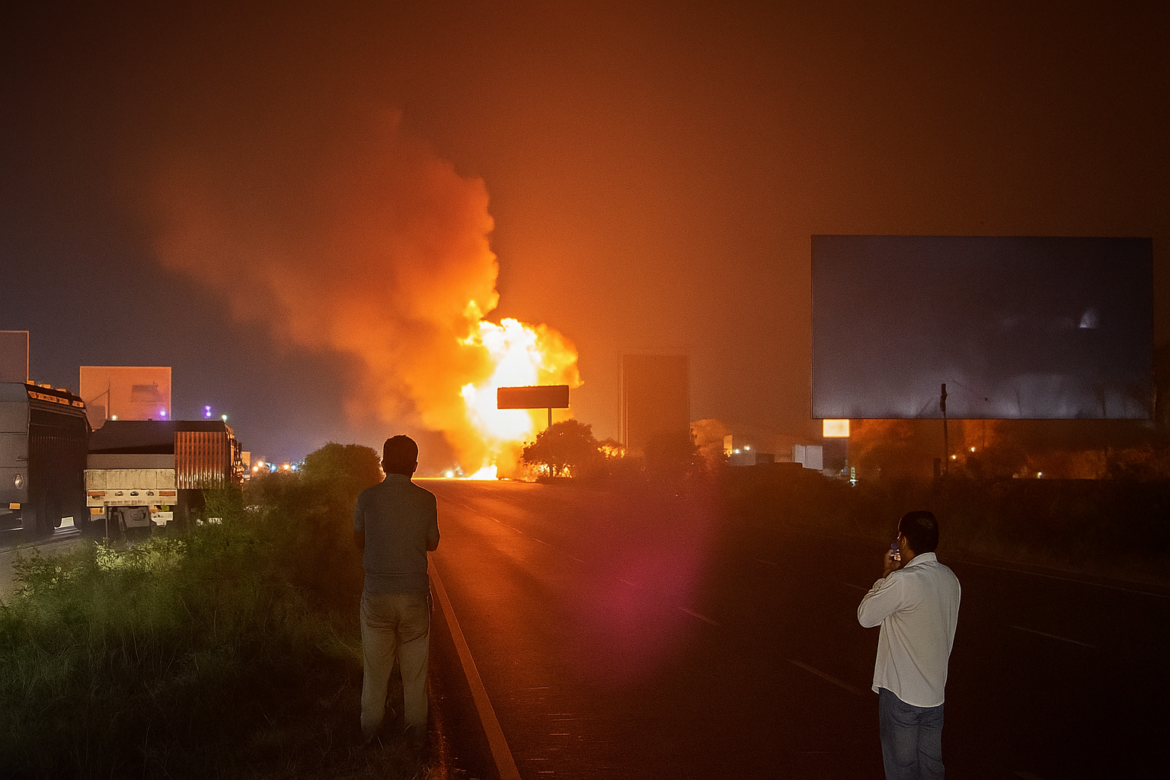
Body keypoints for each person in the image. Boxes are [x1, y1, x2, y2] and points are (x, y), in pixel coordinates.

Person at [857, 510, 961, 780]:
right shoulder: (950, 578)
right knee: (931, 769)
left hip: (901, 695)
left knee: (902, 770)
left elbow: (866, 616)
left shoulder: (902, 581)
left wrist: (886, 574)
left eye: (898, 537)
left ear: (903, 541)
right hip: (934, 696)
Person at [353, 435, 440, 745]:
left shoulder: (367, 498)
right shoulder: (427, 499)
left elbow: (359, 539)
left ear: (383, 464)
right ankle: (415, 741)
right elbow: (432, 542)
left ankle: (370, 739)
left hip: (376, 595)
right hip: (414, 596)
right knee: (415, 676)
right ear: (414, 466)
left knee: (375, 674)